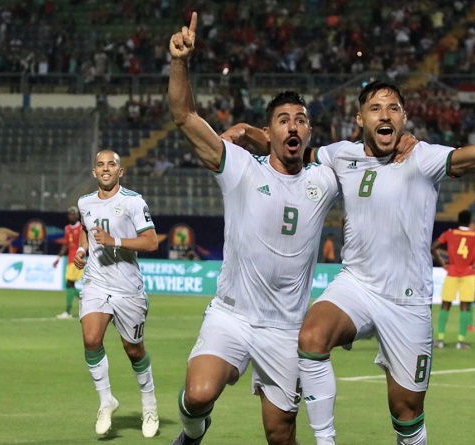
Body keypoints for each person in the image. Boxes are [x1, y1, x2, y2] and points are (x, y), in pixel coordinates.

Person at [225, 78, 475, 444]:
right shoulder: (340, 155)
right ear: (360, 119)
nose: (385, 115)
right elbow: (289, 148)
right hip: (357, 285)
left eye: (393, 108)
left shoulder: (423, 157)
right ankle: (326, 440)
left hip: (407, 303)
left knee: (406, 414)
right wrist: (247, 132)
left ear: (404, 118)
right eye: (375, 108)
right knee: (312, 337)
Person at [168, 13, 340, 445]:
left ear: (309, 131)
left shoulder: (325, 178)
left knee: (280, 435)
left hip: (286, 329)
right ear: (270, 130)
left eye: (300, 119)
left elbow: (371, 163)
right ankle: (192, 433)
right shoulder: (241, 167)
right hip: (233, 316)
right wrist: (180, 62)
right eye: (283, 119)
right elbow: (184, 116)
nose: (293, 125)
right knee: (198, 394)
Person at [73, 149, 160, 438]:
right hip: (96, 283)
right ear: (94, 172)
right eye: (100, 165)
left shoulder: (134, 201)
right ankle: (106, 400)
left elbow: (151, 242)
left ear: (120, 171)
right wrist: (82, 250)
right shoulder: (84, 202)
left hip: (128, 289)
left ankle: (149, 404)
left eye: (111, 164)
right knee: (91, 339)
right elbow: (86, 230)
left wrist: (115, 241)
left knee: (133, 350)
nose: (106, 169)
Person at [431, 210, 475, 349]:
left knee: (445, 305)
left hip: (452, 273)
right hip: (468, 274)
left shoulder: (449, 233)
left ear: (458, 220)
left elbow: (433, 247)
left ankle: (440, 340)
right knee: (465, 307)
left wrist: (442, 263)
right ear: (469, 221)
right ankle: (460, 341)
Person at [54, 206, 84, 319]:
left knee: (70, 283)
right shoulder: (67, 228)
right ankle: (86, 300)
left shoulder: (82, 228)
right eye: (70, 214)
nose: (72, 216)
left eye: (74, 214)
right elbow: (65, 245)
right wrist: (58, 259)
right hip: (69, 260)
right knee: (70, 284)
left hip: (77, 259)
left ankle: (68, 311)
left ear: (77, 215)